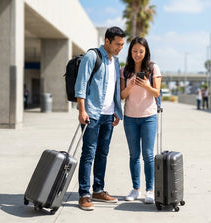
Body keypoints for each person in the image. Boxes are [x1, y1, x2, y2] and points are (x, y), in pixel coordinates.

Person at [74, 26, 125, 211]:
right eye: (118, 44)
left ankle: (98, 189)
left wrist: (117, 111)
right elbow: (80, 84)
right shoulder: (92, 56)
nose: (120, 48)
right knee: (88, 154)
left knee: (102, 153)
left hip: (108, 115)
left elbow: (114, 88)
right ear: (107, 41)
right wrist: (81, 110)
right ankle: (84, 194)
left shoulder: (116, 61)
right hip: (92, 114)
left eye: (122, 45)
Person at [120, 37, 162, 204]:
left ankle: (150, 190)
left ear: (146, 53)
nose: (138, 54)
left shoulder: (153, 68)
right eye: (135, 51)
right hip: (130, 117)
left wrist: (145, 85)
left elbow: (156, 93)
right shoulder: (124, 70)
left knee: (148, 155)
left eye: (141, 51)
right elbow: (122, 96)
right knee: (134, 155)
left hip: (148, 117)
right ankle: (135, 189)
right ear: (131, 52)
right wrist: (130, 85)